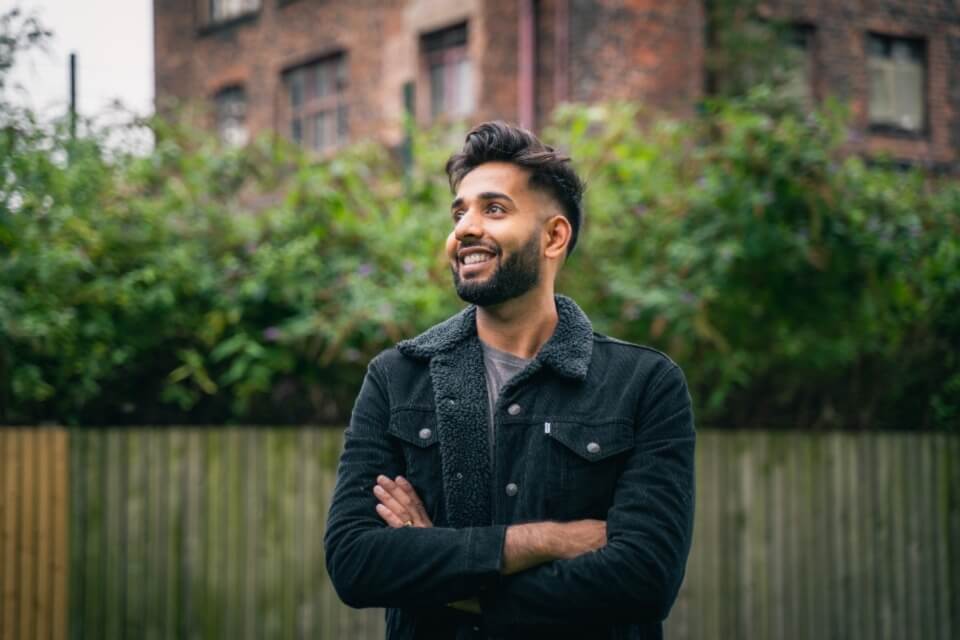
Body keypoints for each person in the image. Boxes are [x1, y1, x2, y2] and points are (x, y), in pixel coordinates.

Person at [324, 121, 695, 640]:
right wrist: (543, 541)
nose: (465, 229)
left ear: (553, 236)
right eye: (459, 212)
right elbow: (355, 562)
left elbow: (643, 579)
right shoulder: (397, 379)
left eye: (493, 209)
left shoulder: (644, 384)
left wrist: (444, 577)